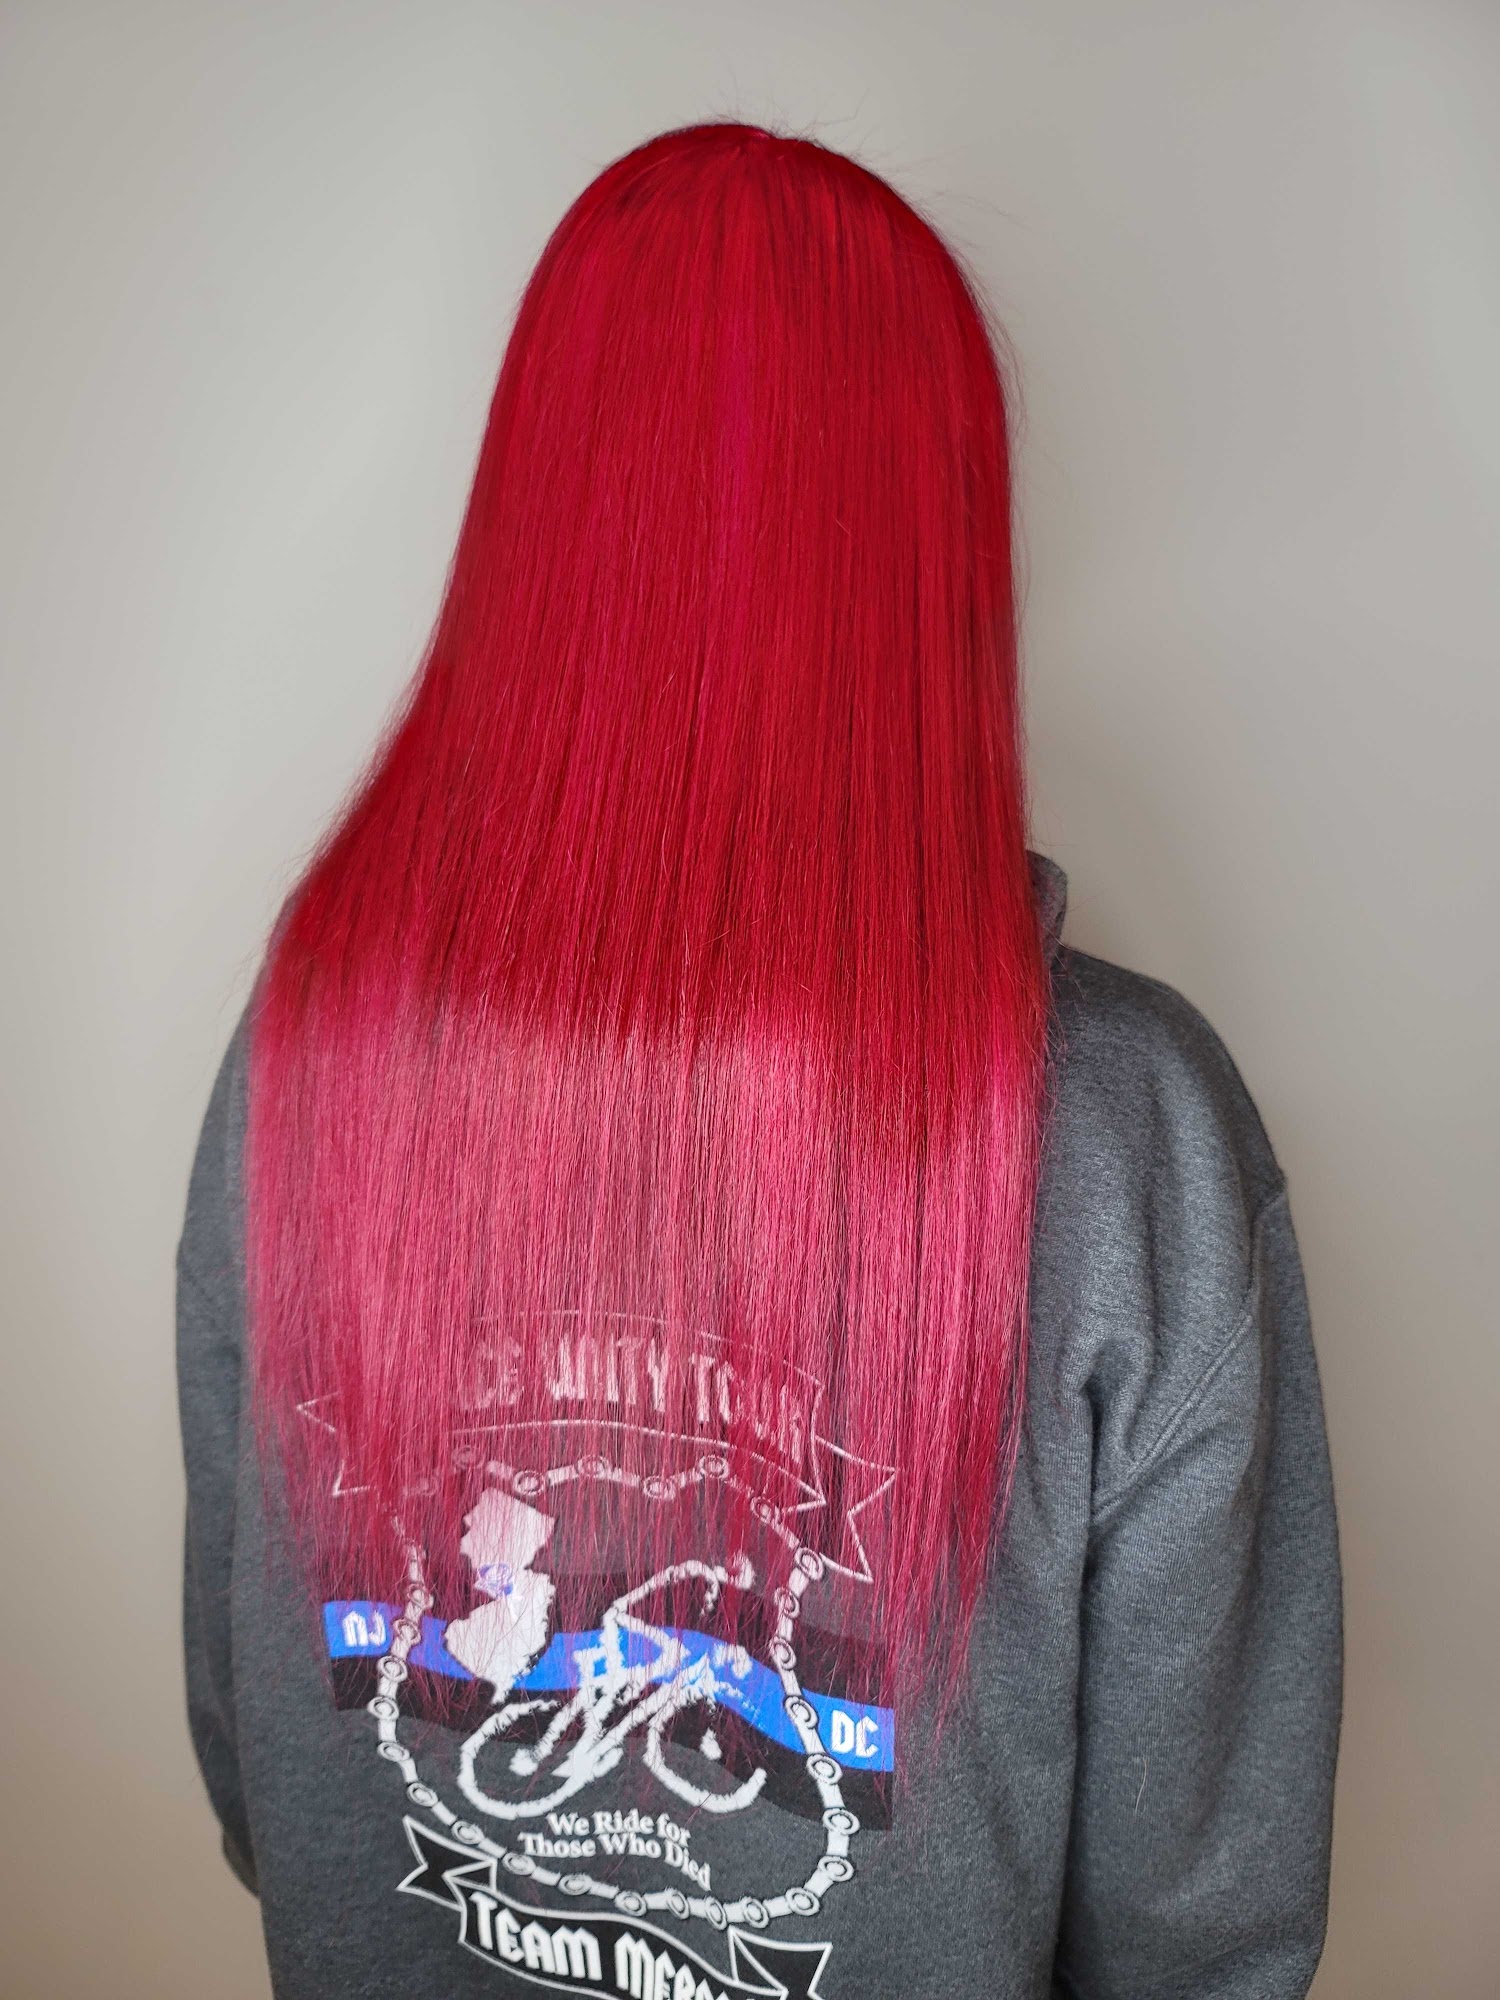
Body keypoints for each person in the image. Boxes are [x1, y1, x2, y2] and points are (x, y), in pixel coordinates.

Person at [177, 122, 1341, 2000]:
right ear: (933, 547)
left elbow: (260, 1765)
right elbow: (1195, 1922)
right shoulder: (1131, 1138)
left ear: (538, 513)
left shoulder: (313, 1048)